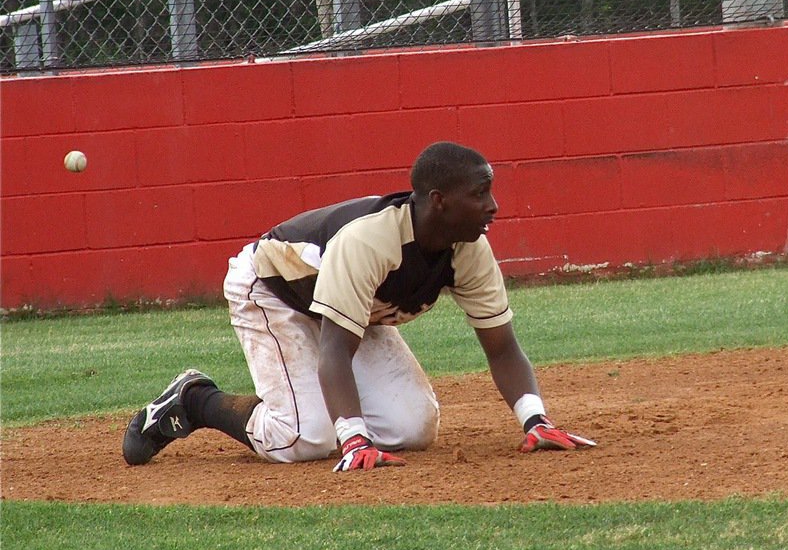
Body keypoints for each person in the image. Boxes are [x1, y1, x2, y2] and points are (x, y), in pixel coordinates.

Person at [123, 141, 595, 471]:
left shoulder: (466, 246)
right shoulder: (370, 242)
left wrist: (535, 420)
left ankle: (333, 424)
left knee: (414, 427)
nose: (493, 206)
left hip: (352, 308)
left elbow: (502, 348)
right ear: (439, 201)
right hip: (274, 288)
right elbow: (334, 352)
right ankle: (193, 400)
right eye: (479, 193)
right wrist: (352, 438)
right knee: (302, 438)